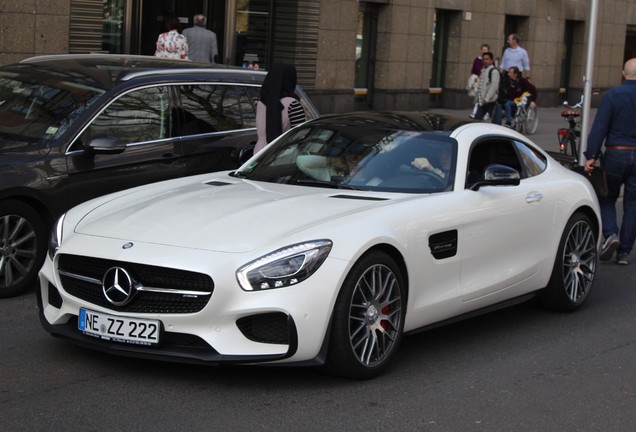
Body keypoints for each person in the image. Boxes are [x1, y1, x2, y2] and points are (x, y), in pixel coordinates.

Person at [584, 58, 636, 265]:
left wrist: (592, 155)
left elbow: (600, 127)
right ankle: (624, 252)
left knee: (607, 196)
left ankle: (611, 234)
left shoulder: (613, 95)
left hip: (616, 153)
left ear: (623, 74)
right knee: (633, 205)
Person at [254, 63, 306, 153]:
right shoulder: (293, 104)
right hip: (284, 155)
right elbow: (301, 136)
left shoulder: (261, 103)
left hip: (260, 154)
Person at [474, 51, 499, 122]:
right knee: (477, 120)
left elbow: (494, 86)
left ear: (491, 60)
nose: (485, 61)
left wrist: (487, 98)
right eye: (484, 59)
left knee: (495, 122)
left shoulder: (494, 71)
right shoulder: (483, 70)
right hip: (482, 101)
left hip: (491, 101)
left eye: (487, 59)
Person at [468, 44, 491, 119]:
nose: (484, 51)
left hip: (486, 82)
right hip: (478, 82)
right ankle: (476, 112)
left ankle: (483, 112)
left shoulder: (490, 61)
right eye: (483, 50)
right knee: (478, 97)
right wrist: (475, 77)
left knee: (482, 97)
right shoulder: (477, 60)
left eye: (486, 50)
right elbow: (473, 70)